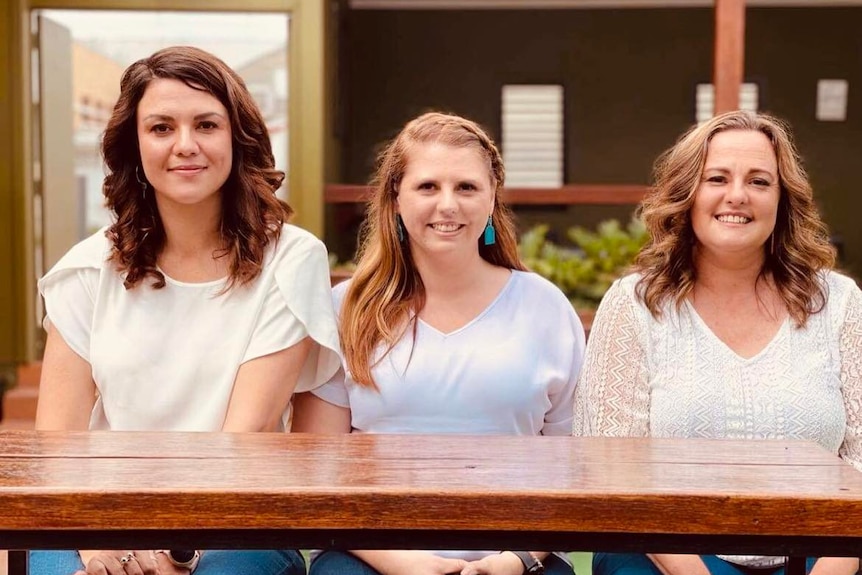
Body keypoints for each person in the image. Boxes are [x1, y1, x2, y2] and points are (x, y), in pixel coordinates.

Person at [32, 46, 341, 575]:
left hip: (235, 525)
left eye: (206, 124)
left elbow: (244, 438)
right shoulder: (86, 270)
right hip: (98, 518)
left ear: (236, 138)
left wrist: (180, 547)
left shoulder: (292, 259)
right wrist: (96, 544)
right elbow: (58, 445)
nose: (185, 145)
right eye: (160, 128)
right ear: (135, 146)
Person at [291, 111, 586, 575]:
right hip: (371, 558)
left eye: (466, 188)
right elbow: (318, 470)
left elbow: (574, 467)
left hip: (520, 558)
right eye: (428, 187)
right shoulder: (345, 309)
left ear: (492, 199)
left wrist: (517, 559)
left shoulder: (545, 308)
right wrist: (403, 564)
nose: (447, 205)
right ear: (395, 199)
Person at [573, 110, 862, 575]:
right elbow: (614, 468)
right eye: (717, 178)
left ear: (783, 200)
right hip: (667, 556)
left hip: (825, 557)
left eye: (759, 181)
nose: (737, 196)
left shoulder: (841, 304)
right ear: (687, 193)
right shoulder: (635, 304)